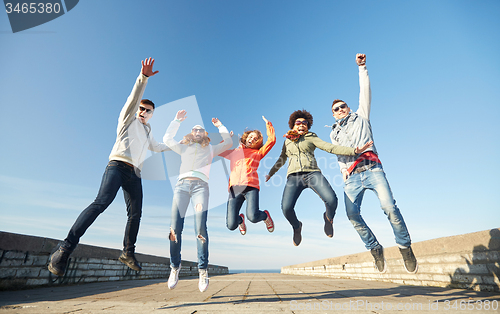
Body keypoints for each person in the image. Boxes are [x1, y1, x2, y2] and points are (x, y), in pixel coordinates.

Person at [48, 58, 168, 276]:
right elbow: (133, 99)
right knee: (101, 203)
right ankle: (64, 249)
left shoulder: (148, 131)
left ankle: (128, 253)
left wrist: (182, 144)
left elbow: (158, 146)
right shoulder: (127, 120)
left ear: (151, 114)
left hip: (135, 174)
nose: (143, 112)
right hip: (117, 165)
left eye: (148, 111)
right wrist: (143, 79)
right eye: (141, 109)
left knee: (136, 214)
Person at [329, 53, 418, 273]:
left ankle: (405, 247)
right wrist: (343, 171)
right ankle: (375, 248)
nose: (340, 109)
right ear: (332, 115)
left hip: (373, 169)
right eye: (336, 109)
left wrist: (362, 68)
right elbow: (339, 155)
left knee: (389, 207)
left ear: (348, 107)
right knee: (352, 215)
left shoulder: (362, 116)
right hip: (352, 177)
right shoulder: (333, 134)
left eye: (343, 106)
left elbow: (365, 91)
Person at [265, 110, 372, 246]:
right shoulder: (287, 141)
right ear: (293, 125)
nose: (302, 124)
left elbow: (330, 147)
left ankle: (328, 218)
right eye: (298, 122)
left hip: (312, 173)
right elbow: (282, 158)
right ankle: (297, 227)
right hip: (294, 177)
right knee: (286, 208)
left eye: (305, 123)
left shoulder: (311, 137)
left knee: (332, 200)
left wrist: (354, 151)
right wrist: (271, 173)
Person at [163, 110, 232, 292]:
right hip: (181, 187)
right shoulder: (184, 147)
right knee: (174, 228)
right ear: (191, 133)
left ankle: (202, 270)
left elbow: (229, 142)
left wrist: (220, 126)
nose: (197, 131)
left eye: (201, 130)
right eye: (194, 129)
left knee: (200, 228)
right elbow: (167, 138)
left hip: (201, 187)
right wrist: (176, 120)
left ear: (205, 134)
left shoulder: (211, 148)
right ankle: (174, 267)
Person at [219, 116, 276, 235]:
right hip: (235, 188)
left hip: (251, 187)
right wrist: (226, 139)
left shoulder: (258, 153)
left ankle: (265, 216)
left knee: (253, 217)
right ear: (246, 138)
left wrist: (268, 125)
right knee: (231, 225)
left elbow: (272, 141)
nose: (252, 139)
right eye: (251, 137)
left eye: (255, 139)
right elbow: (220, 150)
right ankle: (240, 220)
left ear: (258, 143)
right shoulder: (235, 152)